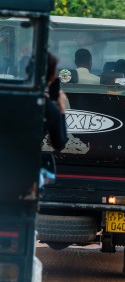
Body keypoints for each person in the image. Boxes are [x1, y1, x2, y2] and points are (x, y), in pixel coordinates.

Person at [41, 53, 68, 187]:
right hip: (23, 172)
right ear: (52, 78)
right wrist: (61, 109)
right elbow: (59, 143)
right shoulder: (48, 107)